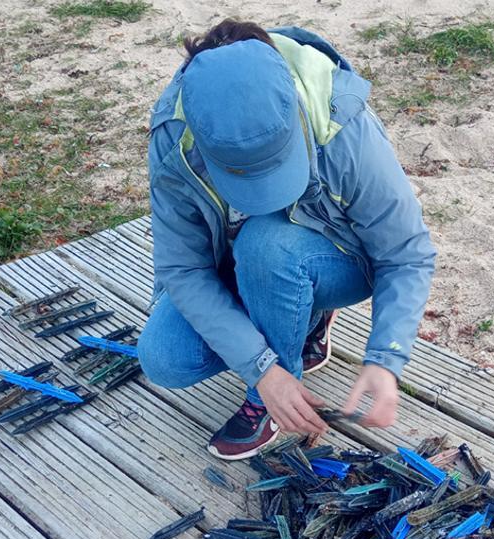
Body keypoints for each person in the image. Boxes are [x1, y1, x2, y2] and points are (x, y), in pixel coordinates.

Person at [138, 20, 435, 460]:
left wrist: (385, 359)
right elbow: (183, 269)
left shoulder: (342, 121)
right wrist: (262, 369)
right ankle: (289, 351)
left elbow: (406, 254)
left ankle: (280, 383)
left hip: (334, 256)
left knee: (267, 245)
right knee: (165, 358)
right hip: (241, 263)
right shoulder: (174, 135)